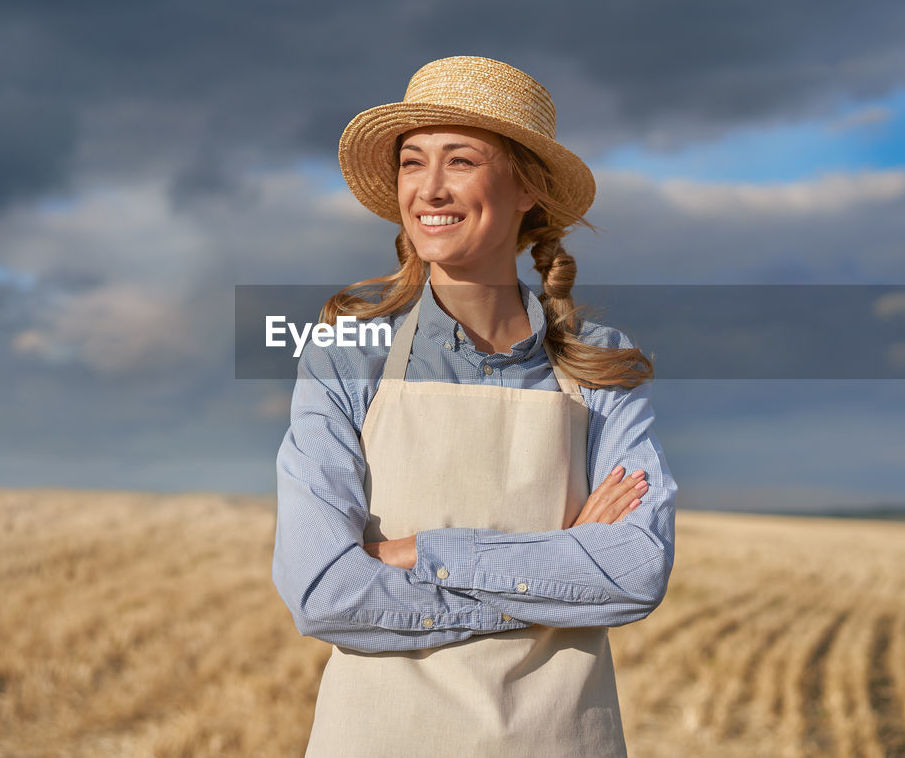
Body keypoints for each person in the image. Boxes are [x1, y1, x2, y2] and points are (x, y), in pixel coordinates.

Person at [272, 55, 677, 757]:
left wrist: (419, 553)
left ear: (526, 187)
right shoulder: (344, 355)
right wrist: (556, 568)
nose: (429, 189)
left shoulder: (603, 364)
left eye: (460, 160)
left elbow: (634, 572)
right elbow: (324, 590)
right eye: (411, 162)